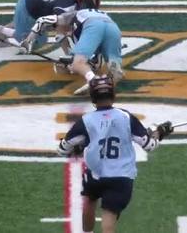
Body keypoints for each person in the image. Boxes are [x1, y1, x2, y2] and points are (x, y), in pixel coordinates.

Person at [57, 76, 174, 233]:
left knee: (89, 200)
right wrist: (159, 133)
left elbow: (62, 149)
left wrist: (80, 145)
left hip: (96, 175)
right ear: (112, 94)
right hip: (121, 177)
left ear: (93, 96)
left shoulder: (86, 121)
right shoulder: (126, 117)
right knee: (109, 216)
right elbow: (149, 145)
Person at [0, 0, 100, 51]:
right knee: (38, 41)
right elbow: (60, 35)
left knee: (44, 22)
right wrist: (69, 55)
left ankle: (9, 29)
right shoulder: (65, 5)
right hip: (28, 5)